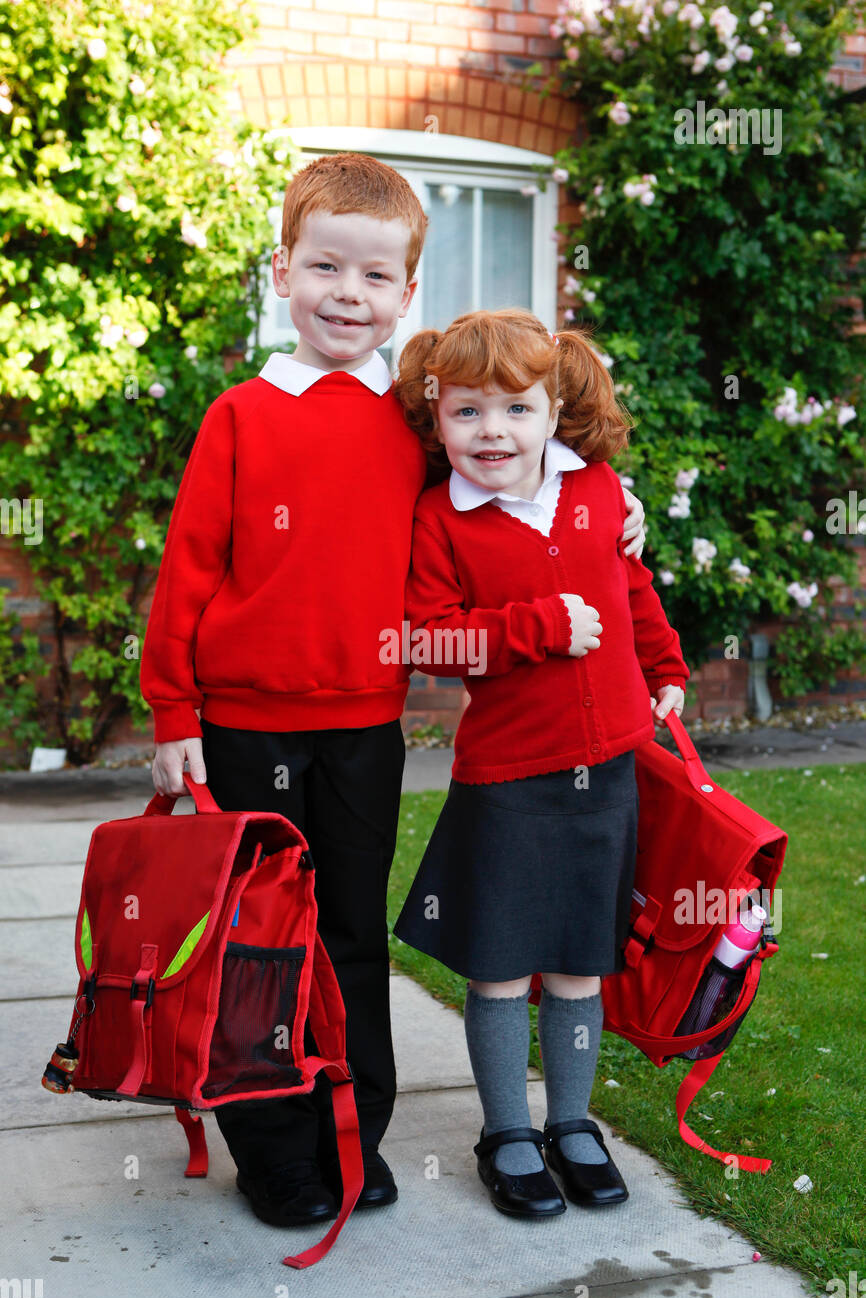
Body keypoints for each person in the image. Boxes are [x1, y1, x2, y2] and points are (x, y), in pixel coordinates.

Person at [140, 154, 648, 1231]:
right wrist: (173, 715)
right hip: (242, 725)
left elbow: (512, 459)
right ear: (281, 271)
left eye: (373, 279)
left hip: (363, 726)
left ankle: (349, 1130)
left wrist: (618, 505)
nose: (345, 294)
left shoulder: (417, 424)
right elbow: (187, 569)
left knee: (351, 935)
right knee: (259, 941)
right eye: (323, 267)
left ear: (405, 296)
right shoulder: (239, 416)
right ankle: (275, 1150)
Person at [393, 308, 690, 1220]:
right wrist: (540, 628)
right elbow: (430, 643)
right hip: (512, 779)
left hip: (607, 772)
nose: (494, 433)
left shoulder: (600, 492)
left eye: (516, 410)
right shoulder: (442, 522)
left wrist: (666, 667)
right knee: (502, 968)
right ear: (438, 419)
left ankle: (570, 1124)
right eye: (469, 412)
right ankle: (506, 1133)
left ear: (553, 408)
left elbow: (631, 591)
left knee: (577, 966)